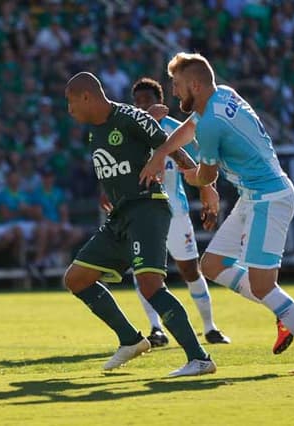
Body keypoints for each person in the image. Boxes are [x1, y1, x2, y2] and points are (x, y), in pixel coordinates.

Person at [139, 53, 294, 374]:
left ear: (195, 85)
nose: (173, 92)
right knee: (212, 265)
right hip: (254, 196)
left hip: (268, 199)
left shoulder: (213, 124)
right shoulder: (222, 96)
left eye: (177, 85)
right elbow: (188, 130)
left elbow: (207, 175)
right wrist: (161, 154)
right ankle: (287, 312)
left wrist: (192, 177)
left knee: (262, 285)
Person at [63, 71, 216, 377]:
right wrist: (107, 190)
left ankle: (199, 358)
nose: (69, 110)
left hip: (147, 208)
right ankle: (130, 340)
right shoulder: (96, 130)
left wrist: (204, 184)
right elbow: (117, 164)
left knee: (150, 286)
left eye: (70, 102)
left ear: (86, 97)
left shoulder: (129, 117)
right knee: (76, 279)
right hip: (121, 214)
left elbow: (172, 146)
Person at [130, 77, 230, 347]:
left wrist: (208, 192)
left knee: (190, 270)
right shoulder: (130, 132)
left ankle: (210, 327)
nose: (141, 106)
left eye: (147, 101)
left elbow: (204, 162)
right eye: (136, 102)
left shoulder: (178, 131)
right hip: (142, 214)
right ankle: (155, 329)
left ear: (160, 103)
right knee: (145, 273)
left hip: (176, 213)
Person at [29, 168, 85, 265]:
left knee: (78, 233)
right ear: (42, 178)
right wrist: (54, 225)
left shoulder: (58, 192)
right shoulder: (37, 193)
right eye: (45, 177)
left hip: (58, 223)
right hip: (43, 224)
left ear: (53, 178)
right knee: (48, 230)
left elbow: (63, 212)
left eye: (50, 176)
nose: (48, 179)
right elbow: (39, 215)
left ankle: (56, 253)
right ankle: (39, 260)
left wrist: (63, 224)